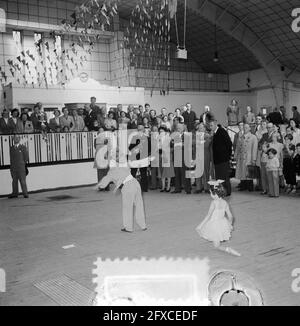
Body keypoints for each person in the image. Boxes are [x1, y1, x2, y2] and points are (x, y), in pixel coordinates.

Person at [95, 152, 148, 233]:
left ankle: (128, 228)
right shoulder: (122, 163)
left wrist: (98, 186)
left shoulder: (111, 172)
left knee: (127, 207)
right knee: (139, 205)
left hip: (127, 187)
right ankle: (143, 225)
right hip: (135, 183)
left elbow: (103, 183)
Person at [196, 180, 240, 257]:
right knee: (216, 243)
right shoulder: (225, 202)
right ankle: (228, 249)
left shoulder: (214, 203)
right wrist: (230, 224)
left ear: (215, 194)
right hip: (222, 223)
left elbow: (208, 216)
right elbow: (230, 216)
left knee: (217, 246)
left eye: (210, 193)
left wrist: (200, 225)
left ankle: (228, 249)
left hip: (215, 224)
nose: (210, 195)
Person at [210, 120, 233, 196]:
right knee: (219, 177)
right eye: (210, 126)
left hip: (223, 159)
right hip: (217, 160)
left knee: (224, 176)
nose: (210, 127)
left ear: (215, 124)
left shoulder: (222, 131)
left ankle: (227, 191)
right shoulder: (215, 133)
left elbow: (229, 143)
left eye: (211, 125)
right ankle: (222, 191)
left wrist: (227, 155)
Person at [129, 124, 150, 192]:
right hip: (135, 157)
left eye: (141, 129)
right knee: (133, 173)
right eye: (139, 129)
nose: (140, 130)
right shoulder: (134, 137)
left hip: (143, 157)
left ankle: (144, 188)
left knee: (143, 173)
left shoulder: (147, 137)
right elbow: (130, 147)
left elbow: (149, 148)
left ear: (144, 130)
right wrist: (136, 148)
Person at [194, 123, 212, 194]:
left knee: (205, 172)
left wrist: (199, 143)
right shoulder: (196, 136)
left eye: (201, 128)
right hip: (198, 156)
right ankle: (199, 188)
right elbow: (194, 145)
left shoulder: (208, 136)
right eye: (199, 128)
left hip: (205, 156)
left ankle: (206, 187)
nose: (200, 129)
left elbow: (206, 145)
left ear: (204, 128)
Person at [158, 126, 174, 192]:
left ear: (165, 132)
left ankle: (168, 187)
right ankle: (163, 186)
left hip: (168, 156)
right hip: (161, 156)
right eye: (160, 131)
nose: (161, 132)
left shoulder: (169, 138)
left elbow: (172, 148)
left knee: (168, 172)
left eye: (162, 131)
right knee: (162, 172)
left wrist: (167, 151)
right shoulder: (158, 139)